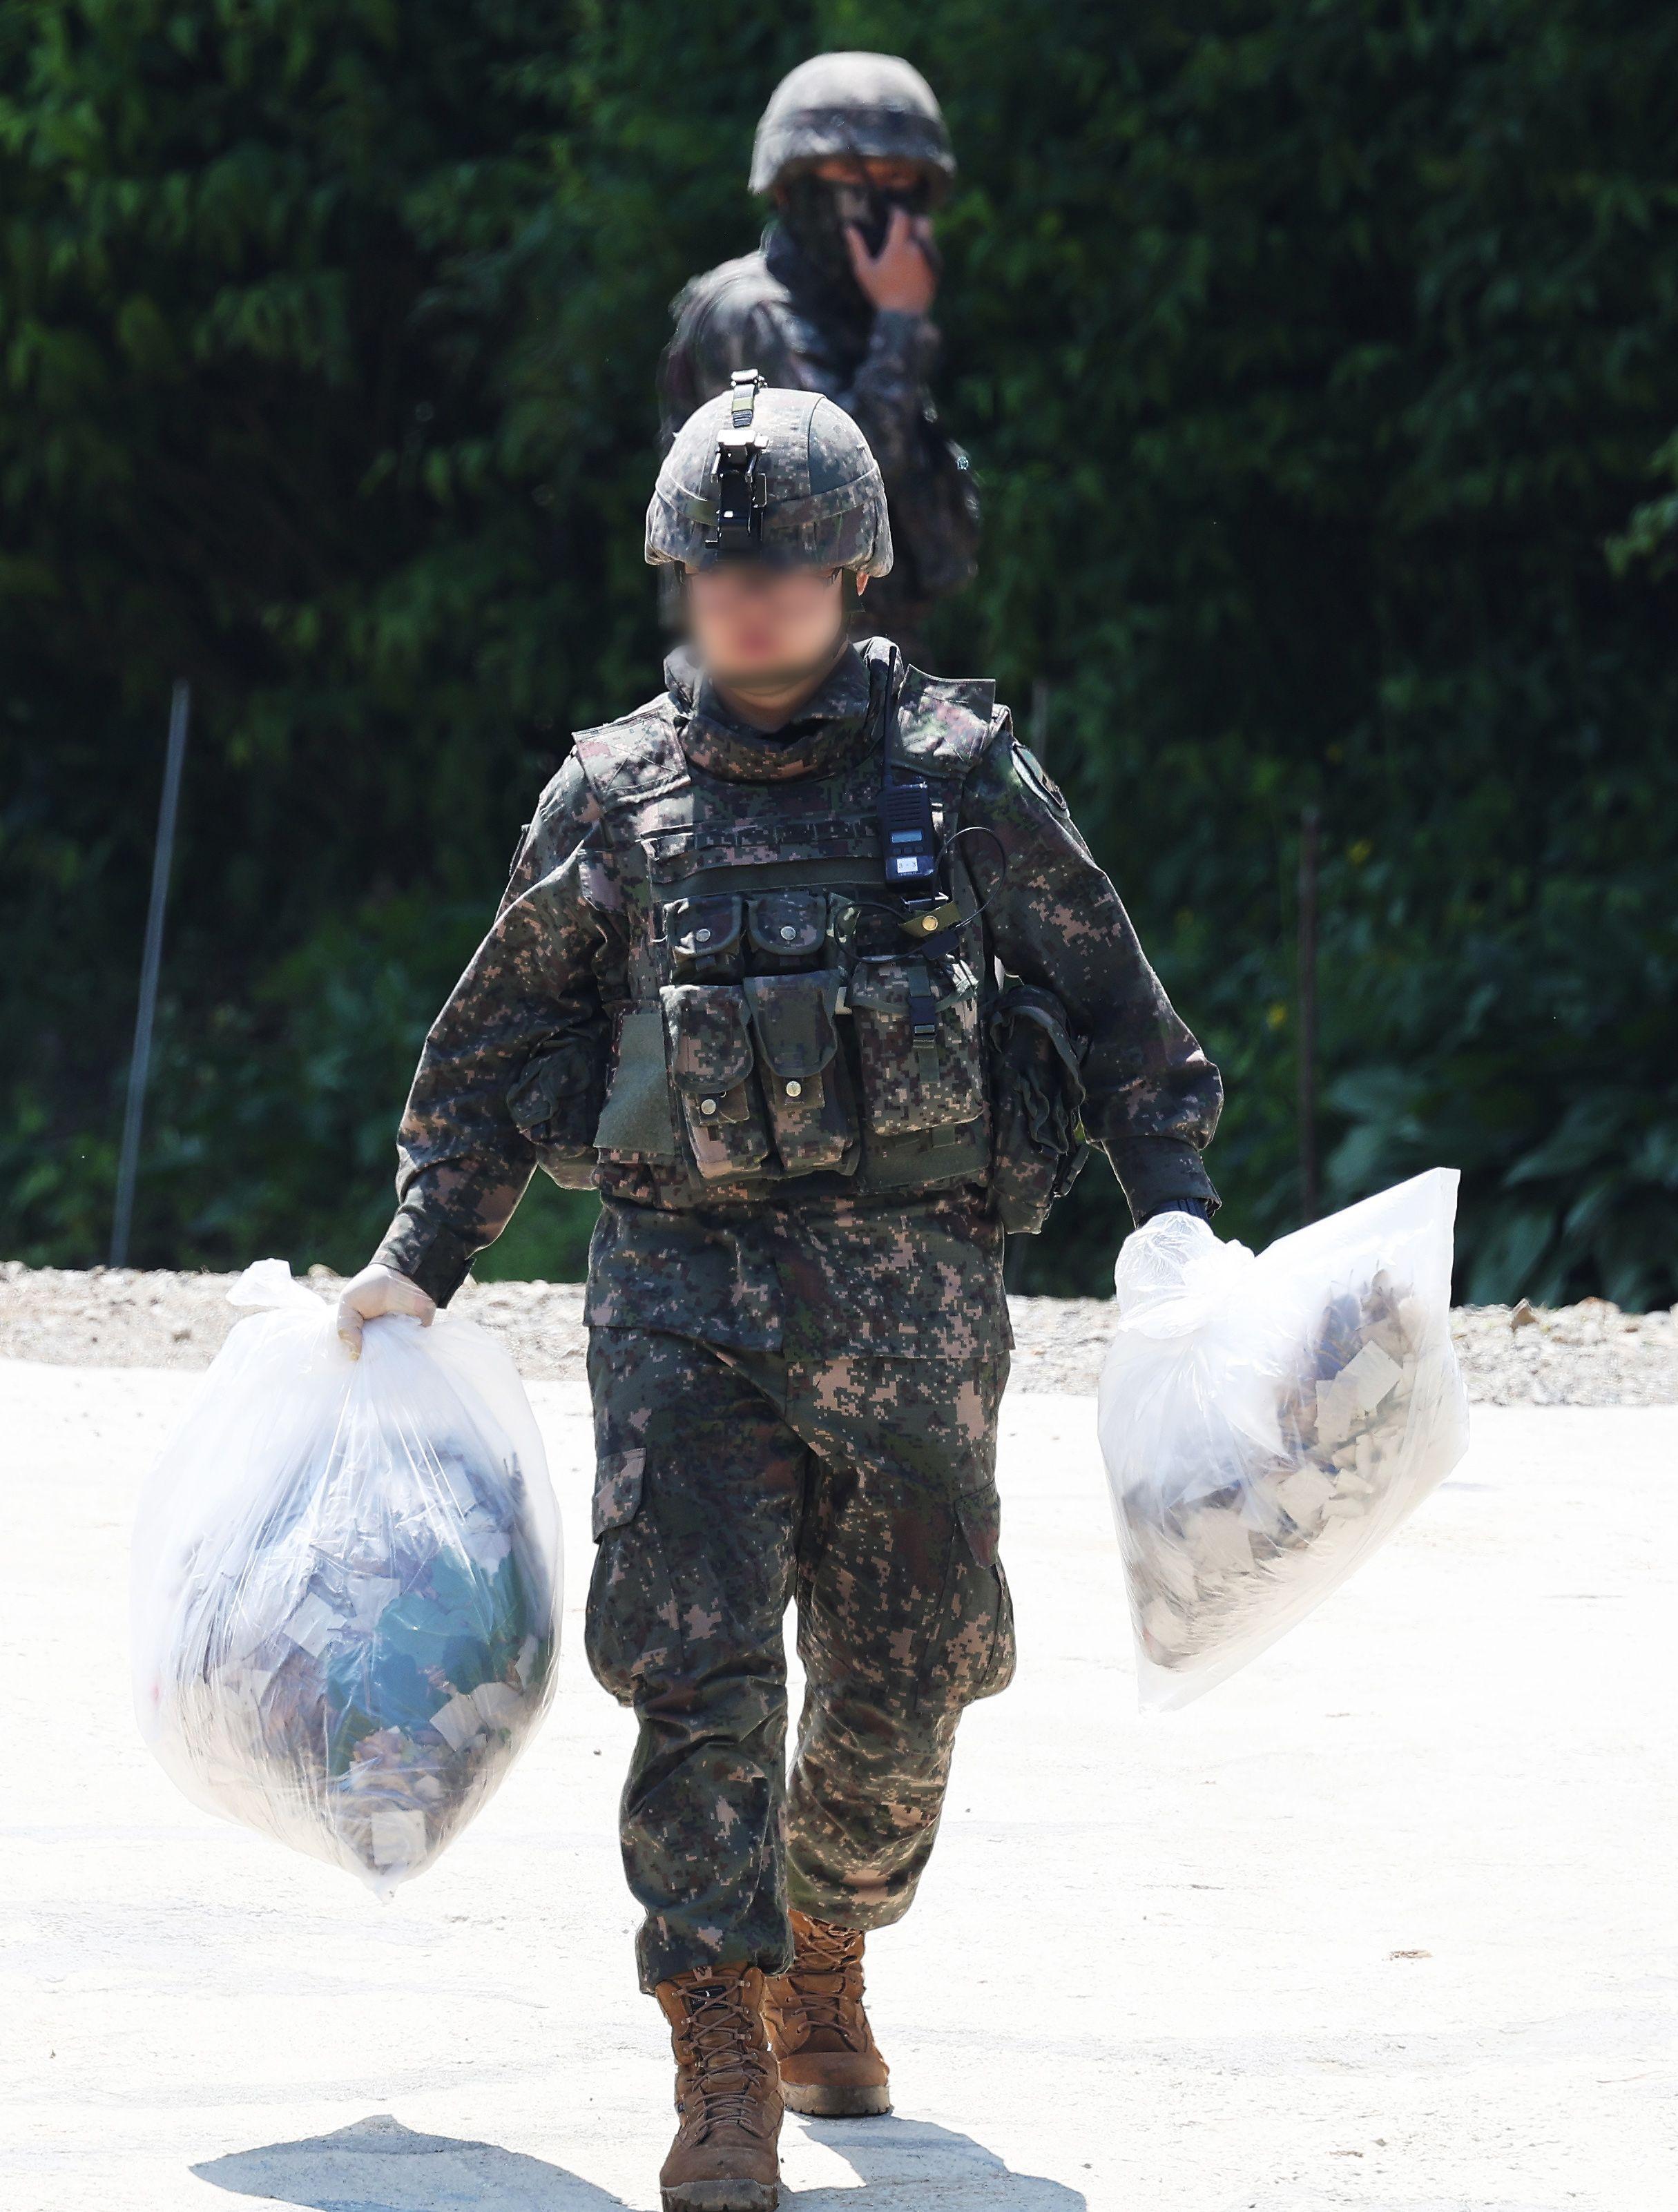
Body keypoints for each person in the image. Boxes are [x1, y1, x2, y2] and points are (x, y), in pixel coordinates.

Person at [336, 377, 1222, 2212]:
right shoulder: (612, 797)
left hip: (915, 1311)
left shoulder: (960, 777)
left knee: (909, 1684)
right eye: (721, 568)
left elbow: (1117, 1006)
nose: (753, 596)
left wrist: (1180, 1211)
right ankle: (720, 2052)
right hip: (680, 1305)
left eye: (792, 566)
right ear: (680, 580)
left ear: (851, 571)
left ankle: (830, 1935)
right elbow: (503, 1043)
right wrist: (420, 1254)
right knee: (696, 1678)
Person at [659, 51, 979, 668]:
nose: (879, 202)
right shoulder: (751, 315)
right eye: (852, 176)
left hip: (866, 675)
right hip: (775, 687)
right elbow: (841, 486)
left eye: (899, 180)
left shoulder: (859, 316)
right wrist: (901, 327)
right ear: (789, 186)